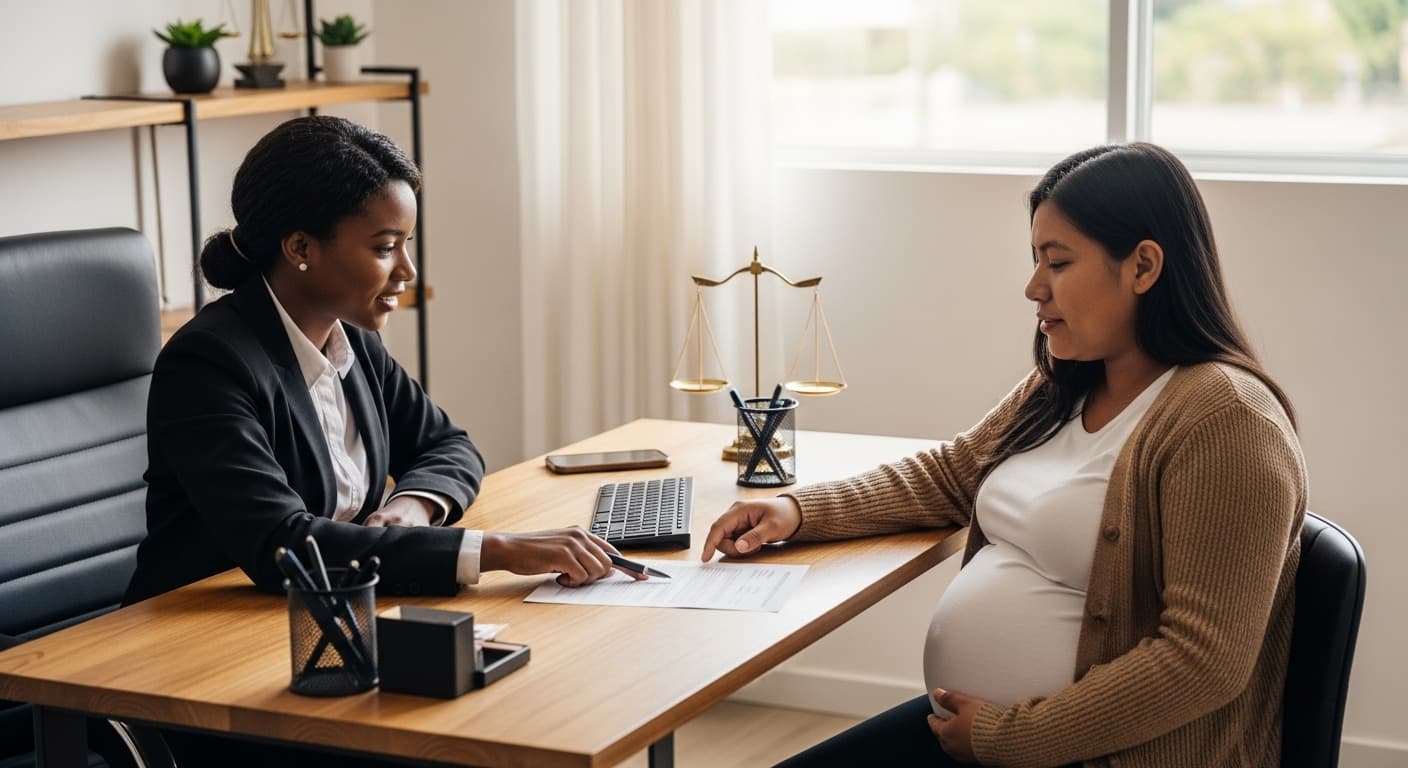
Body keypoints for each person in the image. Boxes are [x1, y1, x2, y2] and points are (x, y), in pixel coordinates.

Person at [703, 143, 1306, 767]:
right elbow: (950, 476)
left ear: (1143, 266)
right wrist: (796, 512)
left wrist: (1011, 737)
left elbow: (1203, 662)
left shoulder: (1227, 420)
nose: (1033, 288)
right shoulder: (1064, 383)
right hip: (984, 740)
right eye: (1034, 259)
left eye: (1059, 262)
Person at [125, 115, 636, 608]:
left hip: (325, 612)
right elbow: (284, 546)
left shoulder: (352, 342)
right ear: (300, 247)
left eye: (405, 244)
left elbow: (449, 446)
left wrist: (411, 506)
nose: (407, 270)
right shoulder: (209, 364)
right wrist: (496, 550)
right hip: (190, 642)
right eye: (385, 247)